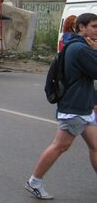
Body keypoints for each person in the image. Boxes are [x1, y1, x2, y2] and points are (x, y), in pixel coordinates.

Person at [25, 12, 97, 200]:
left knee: (95, 146)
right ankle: (34, 181)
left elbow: (83, 79)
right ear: (81, 27)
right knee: (60, 146)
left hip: (83, 106)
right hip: (74, 108)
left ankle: (35, 181)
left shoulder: (77, 45)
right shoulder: (81, 49)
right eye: (94, 26)